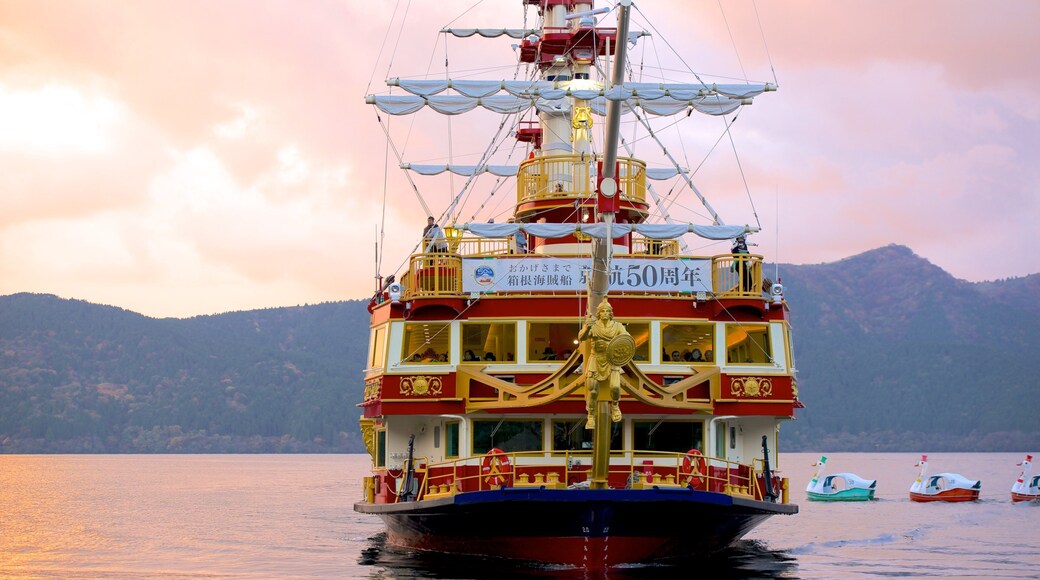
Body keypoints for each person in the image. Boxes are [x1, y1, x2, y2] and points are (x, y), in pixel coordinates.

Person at [578, 299, 629, 428]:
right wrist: (587, 327)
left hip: (612, 359)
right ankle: (591, 415)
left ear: (611, 313)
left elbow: (627, 341)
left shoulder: (618, 326)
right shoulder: (593, 325)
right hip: (596, 359)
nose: (605, 313)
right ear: (599, 313)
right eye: (602, 311)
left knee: (615, 387)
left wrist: (609, 345)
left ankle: (615, 405)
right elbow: (582, 337)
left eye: (607, 311)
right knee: (593, 391)